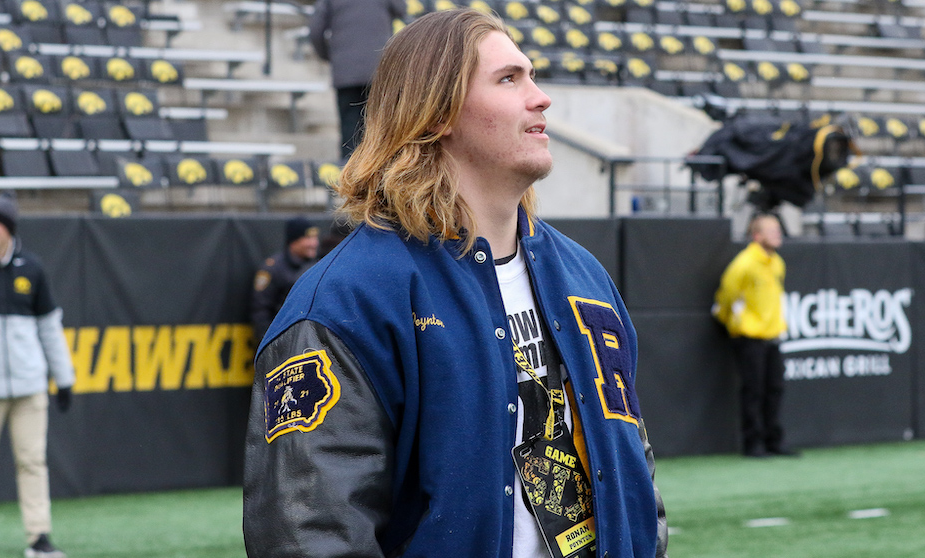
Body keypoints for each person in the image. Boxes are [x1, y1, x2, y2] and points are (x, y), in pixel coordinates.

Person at [244, 9, 667, 558]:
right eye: (509, 79)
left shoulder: (586, 276)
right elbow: (311, 534)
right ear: (437, 112)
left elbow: (635, 464)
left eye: (532, 75)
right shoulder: (346, 299)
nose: (540, 98)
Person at [0, 194, 75, 558]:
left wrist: (63, 378)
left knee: (33, 462)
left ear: (9, 229)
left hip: (29, 388)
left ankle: (39, 539)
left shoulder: (32, 269)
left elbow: (50, 329)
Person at [713, 213, 795, 458]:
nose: (777, 234)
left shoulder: (777, 262)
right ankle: (753, 443)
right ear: (757, 235)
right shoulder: (745, 263)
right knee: (753, 390)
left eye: (778, 230)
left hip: (773, 337)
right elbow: (726, 295)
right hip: (749, 338)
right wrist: (732, 324)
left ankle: (774, 440)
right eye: (772, 230)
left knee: (775, 389)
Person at [308, 0, 406, 160]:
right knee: (381, 130)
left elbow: (315, 30)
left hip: (346, 72)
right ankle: (379, 177)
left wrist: (329, 55)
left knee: (349, 132)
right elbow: (402, 9)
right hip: (379, 71)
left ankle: (349, 179)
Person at [250, 216, 320, 343]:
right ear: (293, 241)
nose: (314, 243)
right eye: (308, 238)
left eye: (315, 238)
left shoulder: (318, 265)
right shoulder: (273, 269)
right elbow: (261, 312)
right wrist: (270, 346)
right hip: (282, 342)